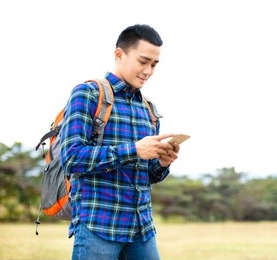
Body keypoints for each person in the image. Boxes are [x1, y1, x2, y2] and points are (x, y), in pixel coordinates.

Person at [59, 24, 180, 260]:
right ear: (119, 54)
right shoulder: (88, 94)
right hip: (99, 226)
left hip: (141, 229)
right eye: (143, 61)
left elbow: (146, 175)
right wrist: (134, 150)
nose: (148, 71)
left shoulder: (149, 109)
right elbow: (72, 158)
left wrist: (163, 163)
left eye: (154, 65)